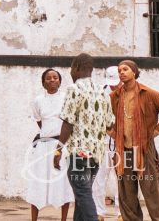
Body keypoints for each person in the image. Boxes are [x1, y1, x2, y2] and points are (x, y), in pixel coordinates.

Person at [110, 59, 159, 221]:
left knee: (152, 191)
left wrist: (157, 130)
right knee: (127, 194)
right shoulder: (115, 95)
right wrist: (112, 132)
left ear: (134, 72)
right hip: (123, 150)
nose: (121, 73)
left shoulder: (149, 93)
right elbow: (111, 118)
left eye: (125, 69)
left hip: (145, 149)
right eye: (119, 70)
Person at [54, 53, 115, 221]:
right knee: (82, 195)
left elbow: (68, 122)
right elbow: (110, 124)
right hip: (96, 154)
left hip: (79, 153)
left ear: (77, 68)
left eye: (71, 69)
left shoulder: (74, 89)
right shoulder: (103, 92)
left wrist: (58, 150)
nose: (71, 73)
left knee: (82, 193)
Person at [26, 68, 73, 221]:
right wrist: (49, 133)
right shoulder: (38, 101)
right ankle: (34, 218)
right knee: (38, 182)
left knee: (63, 183)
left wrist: (59, 140)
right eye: (48, 78)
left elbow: (69, 122)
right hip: (43, 146)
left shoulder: (67, 98)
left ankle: (63, 219)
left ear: (60, 81)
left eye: (55, 77)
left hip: (62, 145)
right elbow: (40, 121)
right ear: (43, 82)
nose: (52, 80)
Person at [93, 67, 121, 221]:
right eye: (111, 83)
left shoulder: (128, 91)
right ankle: (99, 212)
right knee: (99, 178)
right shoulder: (98, 92)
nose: (113, 86)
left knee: (121, 178)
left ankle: (120, 212)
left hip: (121, 142)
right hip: (102, 141)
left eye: (116, 83)